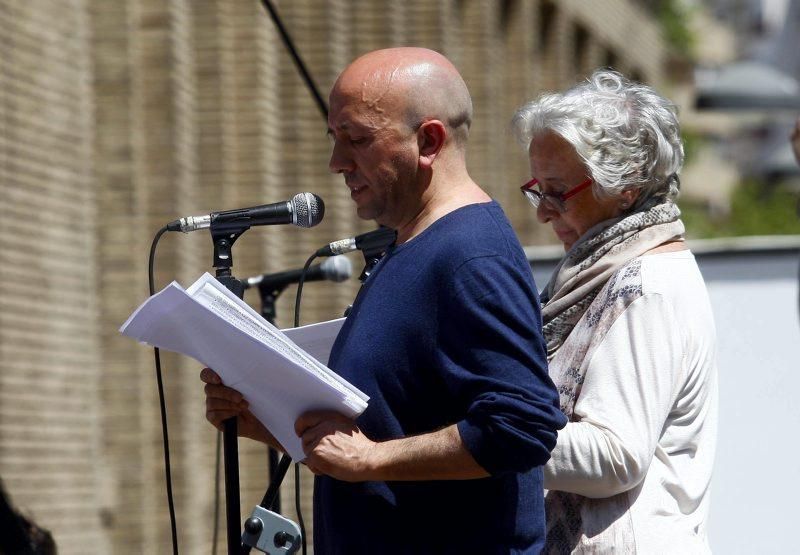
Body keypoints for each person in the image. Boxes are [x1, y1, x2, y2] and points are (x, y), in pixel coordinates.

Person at [202, 47, 566, 554]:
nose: (337, 163)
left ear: (429, 140)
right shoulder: (409, 244)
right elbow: (380, 428)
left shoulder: (471, 257)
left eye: (357, 139)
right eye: (335, 139)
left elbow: (522, 427)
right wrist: (264, 420)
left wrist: (371, 460)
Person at [511, 70, 718, 554]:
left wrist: (485, 441)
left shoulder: (645, 285)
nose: (542, 211)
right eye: (536, 187)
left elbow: (615, 455)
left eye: (557, 191)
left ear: (625, 187)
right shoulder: (602, 271)